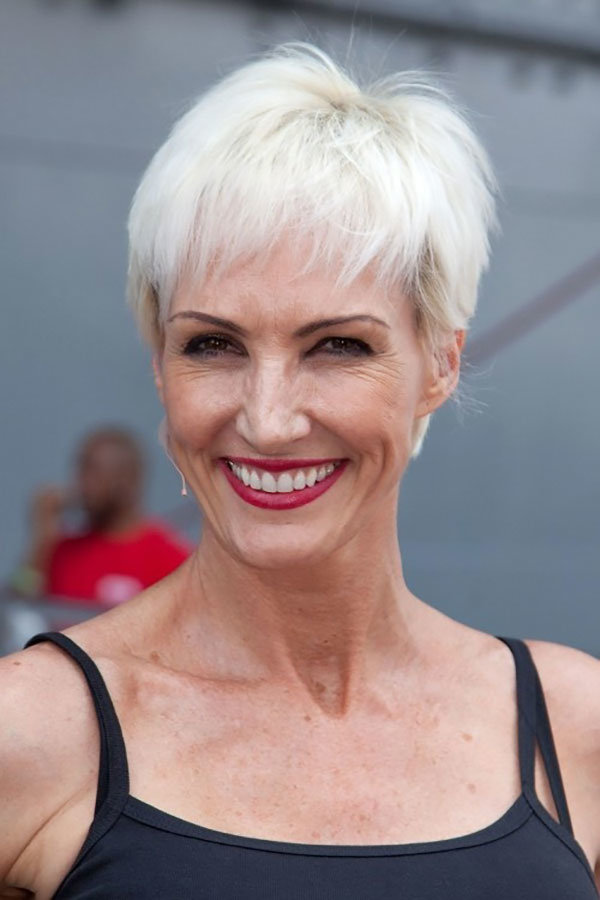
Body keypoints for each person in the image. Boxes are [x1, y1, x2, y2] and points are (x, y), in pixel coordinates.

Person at [1, 44, 599, 899]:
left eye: (338, 346)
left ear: (440, 362)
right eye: (213, 344)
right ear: (161, 367)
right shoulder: (30, 735)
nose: (268, 419)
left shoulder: (577, 729)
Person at [12, 426, 190, 607]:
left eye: (93, 471)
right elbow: (17, 606)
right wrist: (41, 539)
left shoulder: (171, 560)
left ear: (127, 480)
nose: (81, 483)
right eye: (80, 470)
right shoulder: (61, 551)